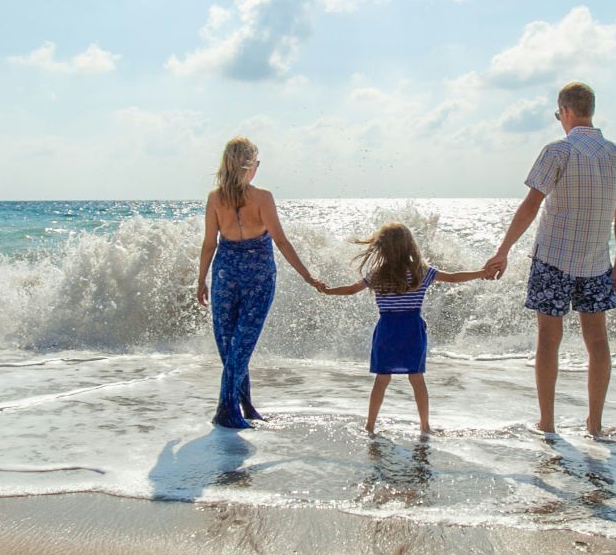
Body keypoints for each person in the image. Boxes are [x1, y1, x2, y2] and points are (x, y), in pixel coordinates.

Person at [481, 82, 616, 438]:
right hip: (597, 263)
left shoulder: (558, 152)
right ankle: (594, 424)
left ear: (565, 111)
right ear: (591, 110)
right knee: (597, 342)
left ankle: (547, 423)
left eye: (558, 114)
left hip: (553, 259)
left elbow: (530, 206)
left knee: (548, 341)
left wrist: (503, 250)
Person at [195, 136, 322, 429]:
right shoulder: (262, 197)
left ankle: (244, 405)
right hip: (258, 276)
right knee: (240, 345)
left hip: (225, 273)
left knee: (232, 345)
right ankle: (227, 409)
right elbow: (280, 240)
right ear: (250, 165)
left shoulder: (216, 198)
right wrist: (307, 275)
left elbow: (209, 244)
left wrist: (201, 279)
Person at [316, 222, 490, 435]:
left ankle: (370, 425)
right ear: (409, 246)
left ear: (382, 247)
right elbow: (454, 277)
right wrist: (482, 273)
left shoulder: (377, 274)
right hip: (412, 330)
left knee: (382, 380)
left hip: (387, 330)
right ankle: (425, 426)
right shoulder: (421, 272)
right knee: (417, 378)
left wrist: (328, 291)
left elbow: (352, 290)